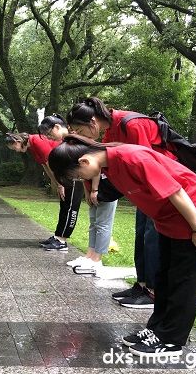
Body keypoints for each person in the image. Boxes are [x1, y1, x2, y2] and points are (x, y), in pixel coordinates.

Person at [47, 135, 196, 358]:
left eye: (77, 176)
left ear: (84, 162)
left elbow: (176, 191)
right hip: (169, 219)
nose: (81, 180)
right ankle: (157, 329)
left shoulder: (131, 158)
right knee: (164, 277)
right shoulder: (112, 164)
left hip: (194, 213)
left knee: (183, 280)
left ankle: (171, 340)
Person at [67, 97, 176, 309]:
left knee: (151, 235)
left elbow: (146, 163)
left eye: (79, 131)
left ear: (92, 122)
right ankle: (142, 284)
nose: (81, 136)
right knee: (140, 232)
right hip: (144, 188)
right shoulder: (110, 130)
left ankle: (154, 291)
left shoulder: (130, 124)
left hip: (162, 183)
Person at [39, 114, 118, 273]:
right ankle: (90, 256)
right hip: (94, 187)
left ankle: (97, 260)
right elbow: (84, 173)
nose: (76, 132)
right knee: (94, 221)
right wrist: (89, 191)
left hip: (106, 186)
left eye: (78, 129)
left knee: (102, 223)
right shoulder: (73, 143)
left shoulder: (81, 144)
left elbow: (96, 167)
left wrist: (94, 189)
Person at [5, 132, 83, 251]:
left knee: (70, 207)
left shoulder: (37, 141)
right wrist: (57, 183)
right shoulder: (33, 146)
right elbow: (46, 167)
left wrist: (60, 183)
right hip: (63, 175)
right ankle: (58, 237)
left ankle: (62, 242)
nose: (16, 151)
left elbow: (51, 164)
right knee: (64, 206)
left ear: (18, 141)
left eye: (14, 148)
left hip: (73, 173)